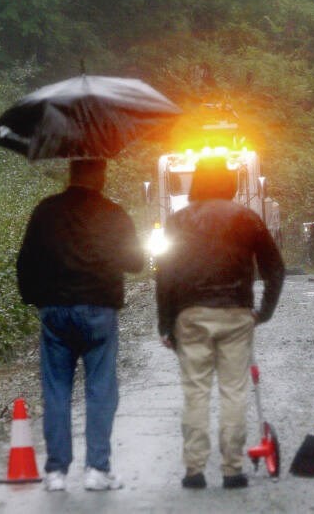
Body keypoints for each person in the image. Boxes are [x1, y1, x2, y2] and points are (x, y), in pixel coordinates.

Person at [155, 155, 285, 489]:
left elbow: (166, 277)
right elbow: (274, 268)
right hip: (236, 314)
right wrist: (264, 311)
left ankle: (194, 470)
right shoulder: (247, 218)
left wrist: (166, 325)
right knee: (233, 391)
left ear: (197, 183)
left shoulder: (178, 220)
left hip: (191, 315)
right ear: (230, 183)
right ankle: (232, 469)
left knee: (195, 392)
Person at [16, 158, 145, 492]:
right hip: (99, 311)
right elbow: (135, 262)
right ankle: (96, 470)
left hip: (55, 311)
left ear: (70, 176)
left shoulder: (46, 211)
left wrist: (35, 299)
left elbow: (25, 260)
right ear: (100, 177)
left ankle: (56, 473)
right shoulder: (112, 212)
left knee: (56, 389)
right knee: (100, 389)